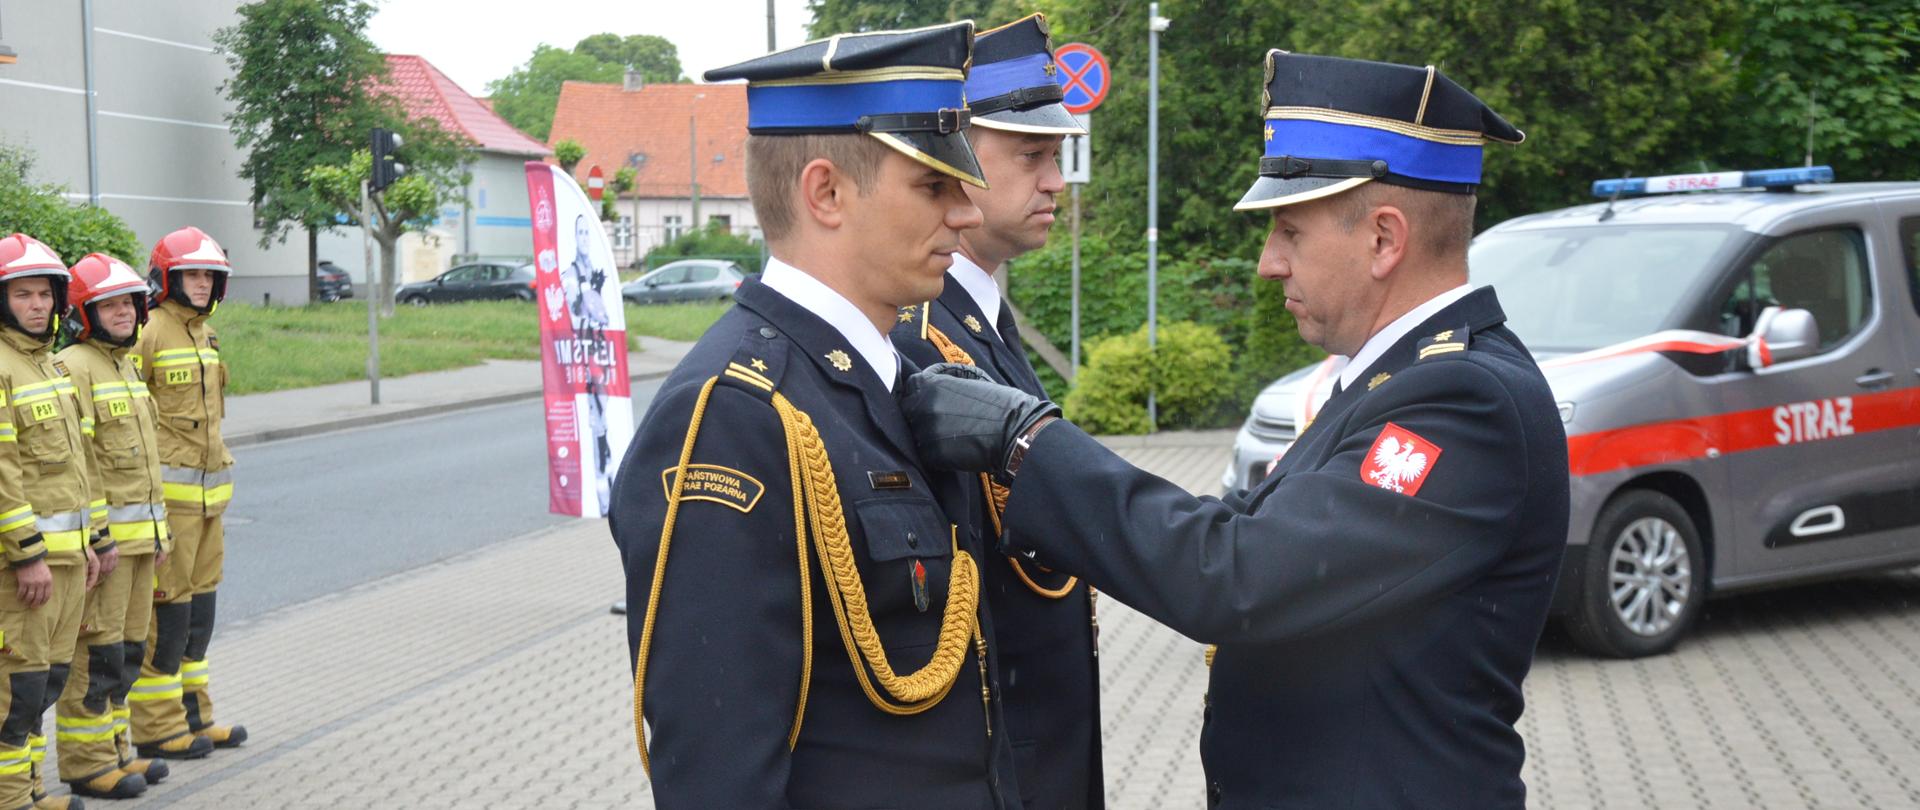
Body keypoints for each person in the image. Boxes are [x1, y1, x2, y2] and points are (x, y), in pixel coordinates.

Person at [898, 52, 1569, 810]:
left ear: (1385, 239)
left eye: (1289, 231)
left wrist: (1026, 440)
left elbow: (1238, 575)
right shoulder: (1402, 378)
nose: (1267, 264)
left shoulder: (1461, 400)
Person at [608, 22, 1025, 807]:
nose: (966, 216)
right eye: (933, 187)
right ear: (826, 193)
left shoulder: (903, 374)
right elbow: (718, 770)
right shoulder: (735, 416)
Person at [888, 14, 1101, 809]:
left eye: (1057, 157)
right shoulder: (920, 340)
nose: (1055, 180)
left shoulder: (977, 323)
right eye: (1033, 157)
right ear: (957, 159)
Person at [54, 253, 176, 799]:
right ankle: (85, 762)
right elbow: (83, 464)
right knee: (96, 655)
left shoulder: (125, 365)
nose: (123, 312)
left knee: (126, 651)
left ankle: (118, 749)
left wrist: (160, 533)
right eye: (110, 304)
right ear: (84, 311)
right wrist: (96, 539)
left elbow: (145, 465)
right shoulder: (75, 365)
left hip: (140, 542)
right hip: (106, 547)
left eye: (129, 302)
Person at [0, 234, 107, 810]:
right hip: (25, 567)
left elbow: (74, 469)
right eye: (23, 295)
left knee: (45, 682)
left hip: (68, 560)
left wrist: (89, 542)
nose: (37, 305)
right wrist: (28, 553)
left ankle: (31, 788)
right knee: (13, 694)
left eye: (44, 294)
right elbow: (3, 475)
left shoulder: (47, 366)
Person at [128, 227, 242, 760]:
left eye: (208, 275)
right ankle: (156, 728)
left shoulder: (206, 335)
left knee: (199, 620)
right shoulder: (149, 330)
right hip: (167, 511)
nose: (201, 284)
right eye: (191, 274)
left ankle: (197, 716)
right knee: (166, 622)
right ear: (166, 277)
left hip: (209, 509)